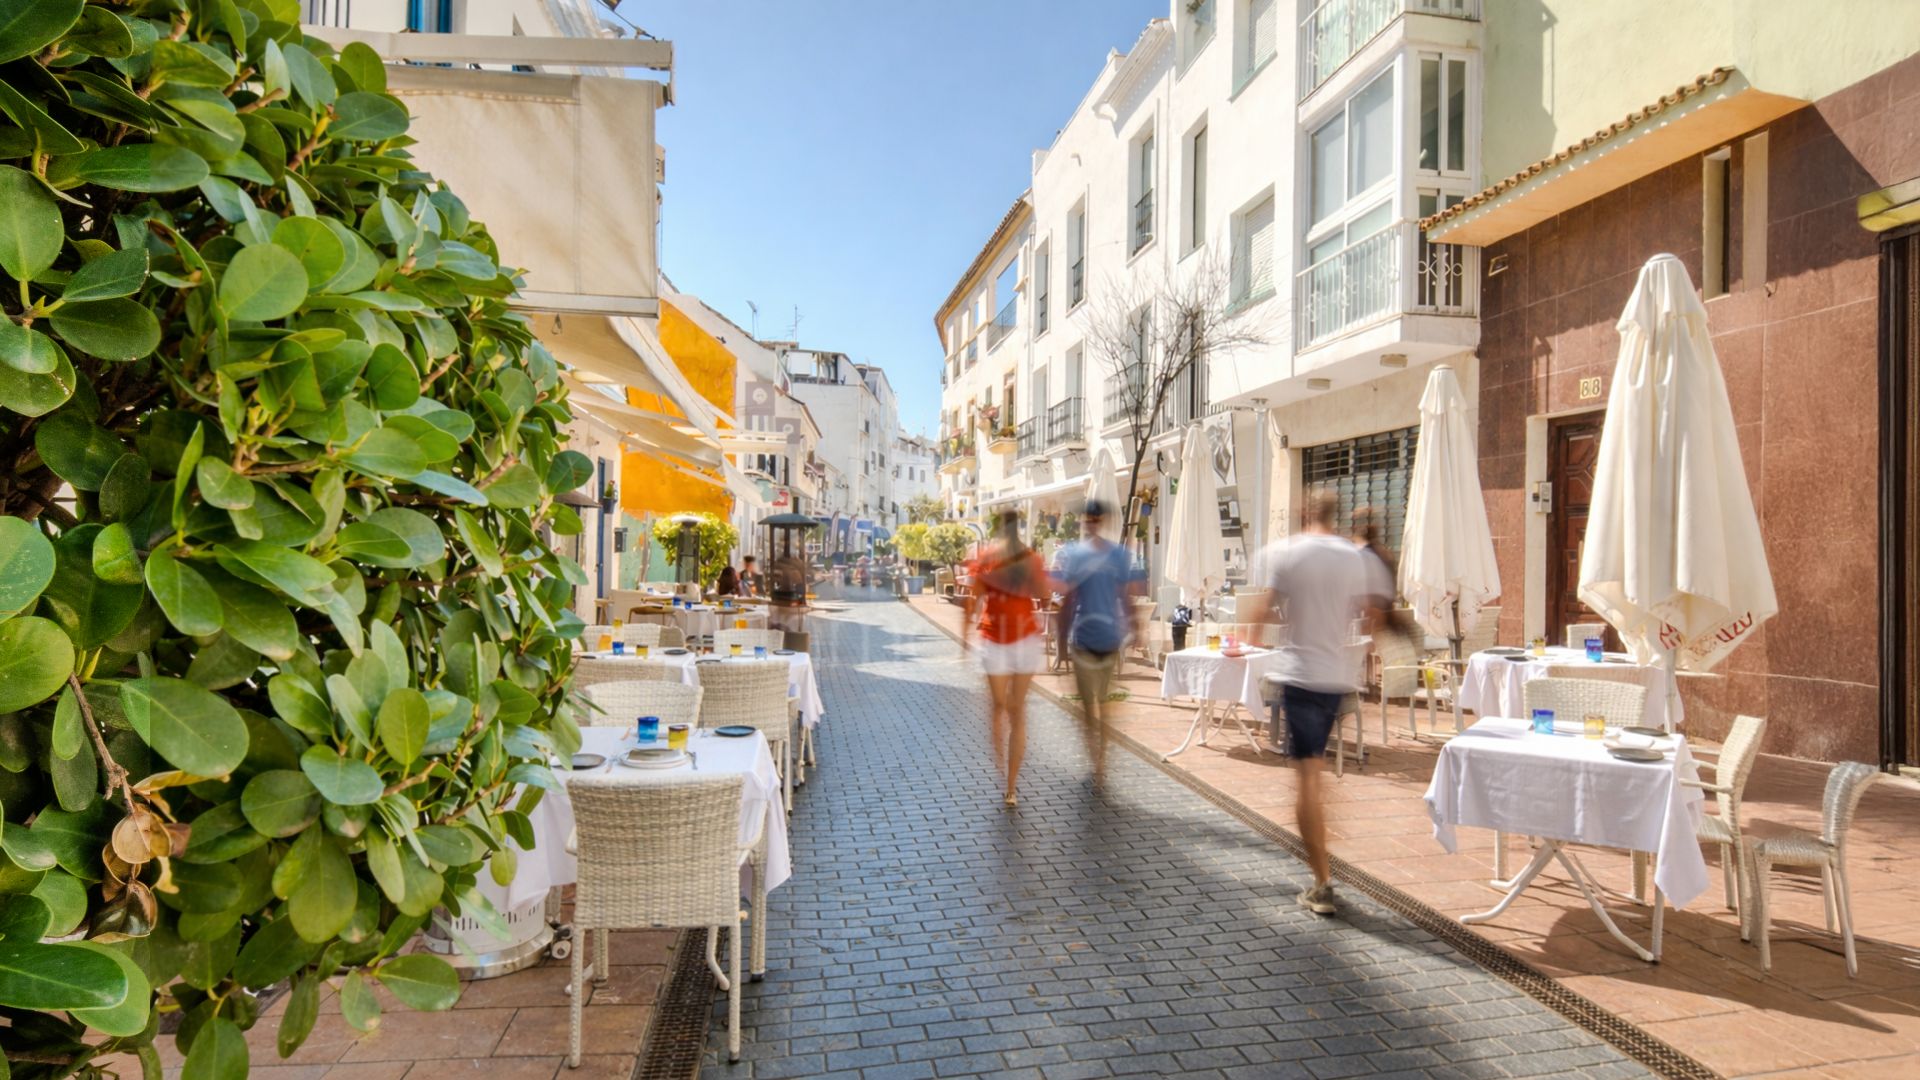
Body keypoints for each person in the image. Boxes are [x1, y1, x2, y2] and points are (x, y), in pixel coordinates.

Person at [1259, 491, 1390, 915]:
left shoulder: (1288, 553)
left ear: (1304, 512)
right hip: (1336, 678)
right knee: (1318, 773)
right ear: (1335, 518)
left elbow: (1263, 610)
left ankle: (1321, 882)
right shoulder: (1356, 557)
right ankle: (1324, 866)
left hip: (1301, 676)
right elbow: (1375, 615)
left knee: (1308, 781)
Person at [962, 512, 1051, 808]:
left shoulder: (992, 556)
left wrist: (964, 637)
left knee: (1006, 708)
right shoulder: (1029, 557)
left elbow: (973, 598)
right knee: (1012, 710)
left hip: (1004, 639)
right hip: (1018, 638)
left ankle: (1009, 781)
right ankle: (1008, 779)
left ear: (1000, 528)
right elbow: (1044, 595)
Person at [1053, 500, 1144, 787]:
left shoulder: (1079, 556)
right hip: (1096, 638)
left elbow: (1069, 601)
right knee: (1098, 707)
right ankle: (1099, 762)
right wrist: (1135, 626)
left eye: (1091, 518)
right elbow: (1124, 597)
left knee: (1093, 709)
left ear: (1091, 521)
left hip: (1095, 639)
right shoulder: (1116, 555)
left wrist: (1061, 644)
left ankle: (1098, 761)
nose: (1090, 522)